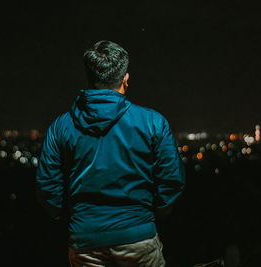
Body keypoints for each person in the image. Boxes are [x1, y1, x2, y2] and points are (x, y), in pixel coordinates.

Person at [36, 40, 185, 266]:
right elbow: (172, 180)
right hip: (139, 237)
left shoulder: (61, 127)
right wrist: (149, 216)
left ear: (89, 78)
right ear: (125, 78)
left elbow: (47, 186)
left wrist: (73, 219)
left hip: (84, 240)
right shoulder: (153, 123)